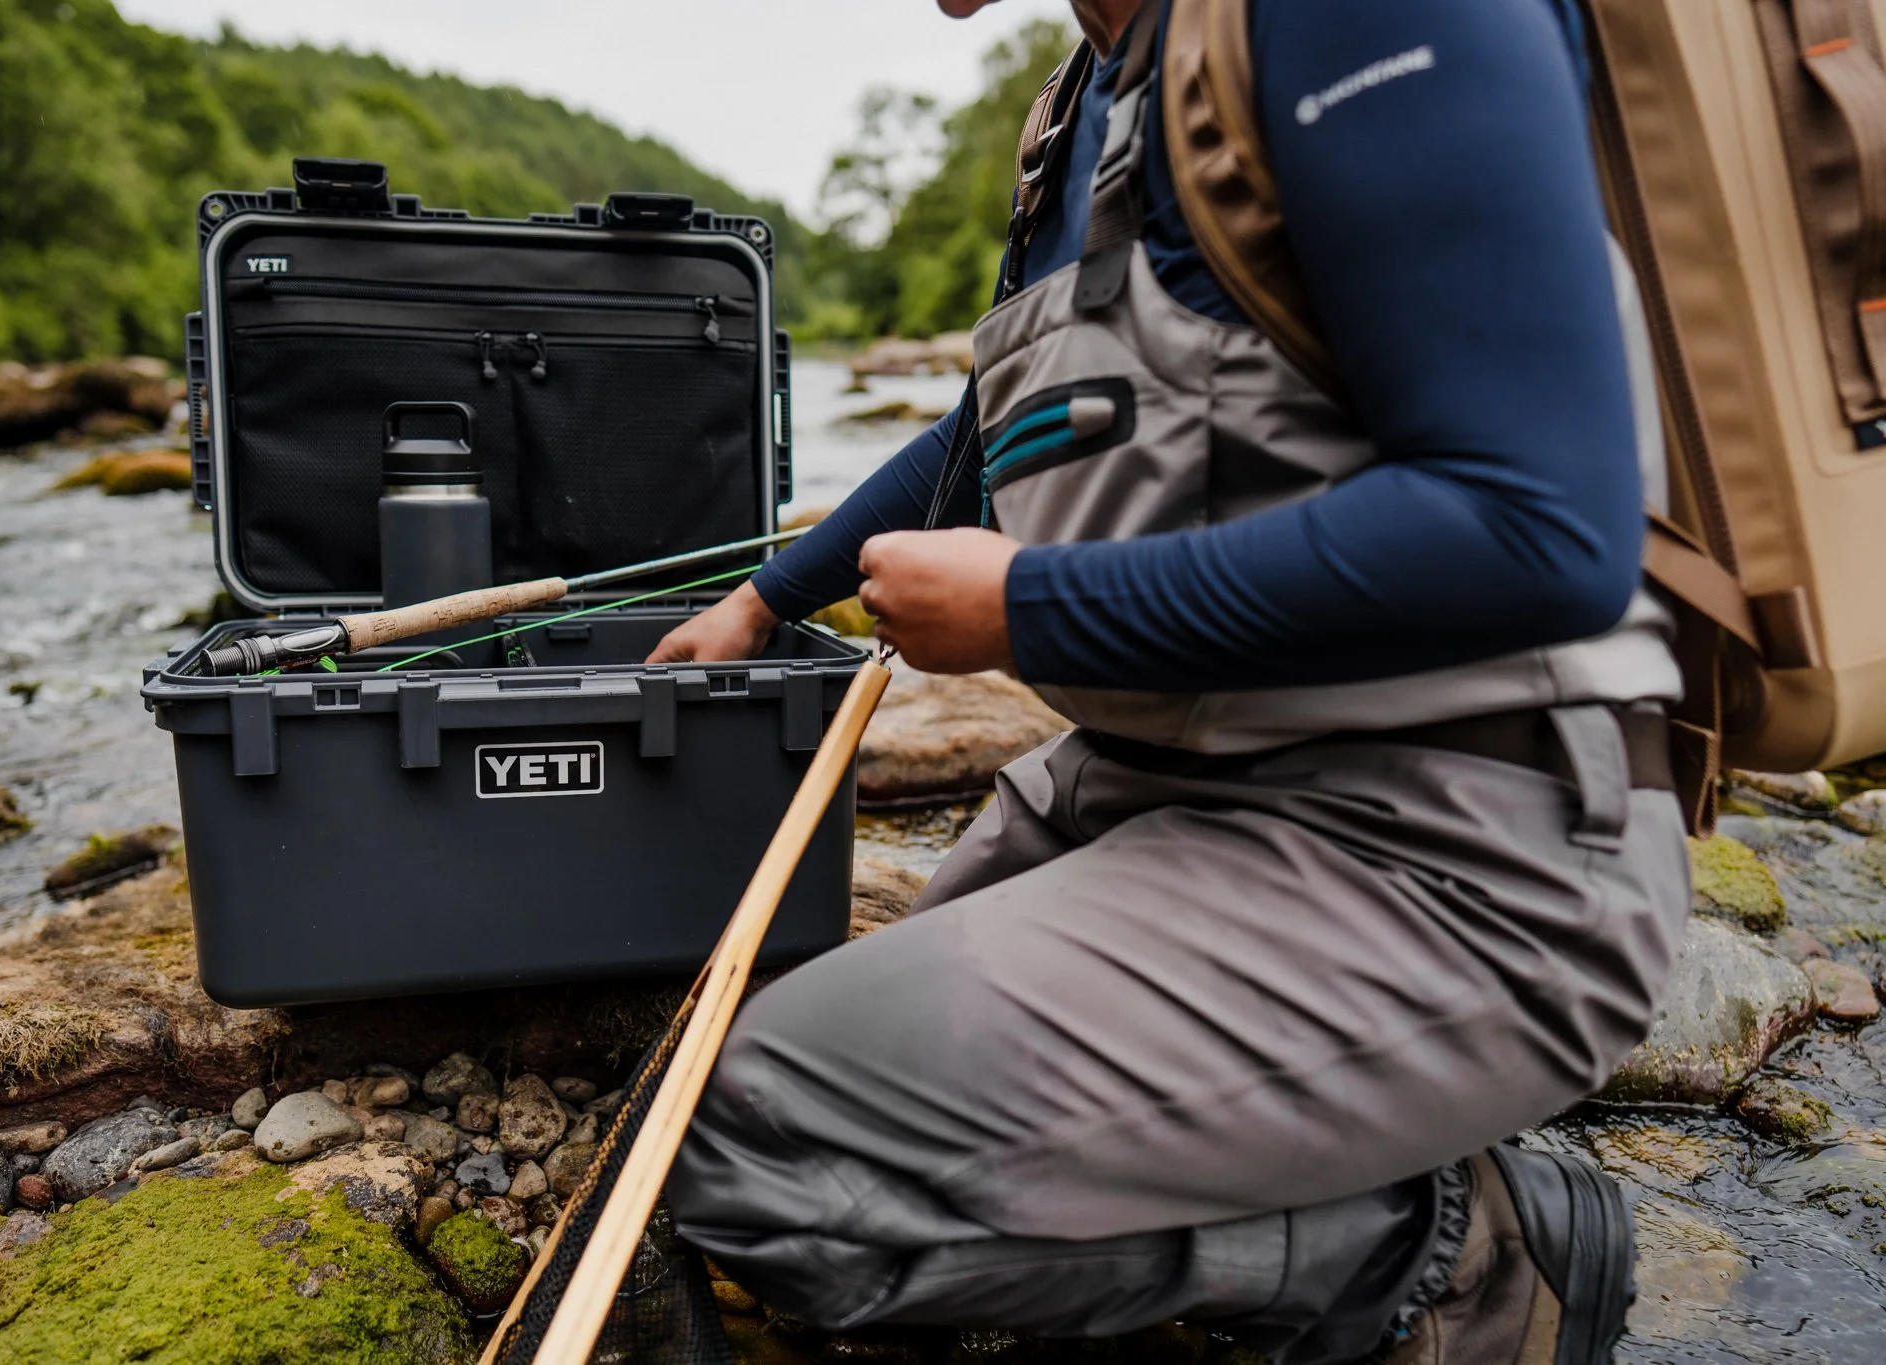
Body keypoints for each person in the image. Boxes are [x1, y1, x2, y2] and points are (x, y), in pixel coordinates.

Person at [654, 0, 1687, 1360]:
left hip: (1453, 839)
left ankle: (1449, 1254)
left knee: (774, 1150)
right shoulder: (1090, 97)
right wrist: (760, 599)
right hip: (1163, 785)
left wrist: (1028, 605)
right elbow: (994, 424)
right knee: (743, 1089)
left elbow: (1539, 530)